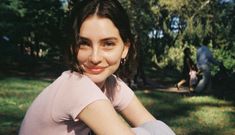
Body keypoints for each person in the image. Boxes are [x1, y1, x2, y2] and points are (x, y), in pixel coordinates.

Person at [19, 0, 175, 135]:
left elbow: (152, 125)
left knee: (156, 128)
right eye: (84, 44)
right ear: (73, 47)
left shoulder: (112, 84)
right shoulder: (76, 87)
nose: (94, 58)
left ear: (125, 48)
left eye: (108, 44)